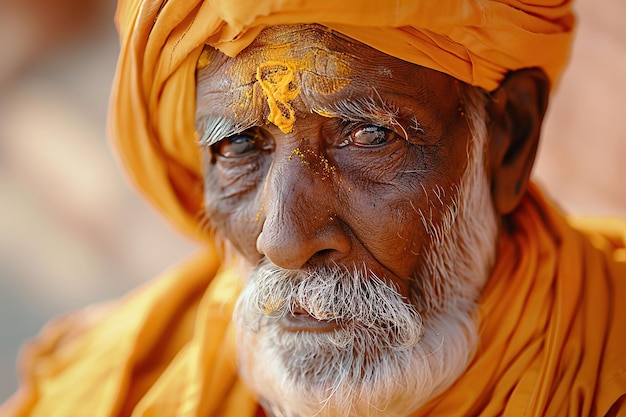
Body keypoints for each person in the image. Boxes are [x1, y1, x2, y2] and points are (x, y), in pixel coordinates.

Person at [2, 0, 625, 416]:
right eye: (238, 145)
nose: (284, 240)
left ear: (510, 142)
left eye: (370, 137)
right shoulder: (115, 388)